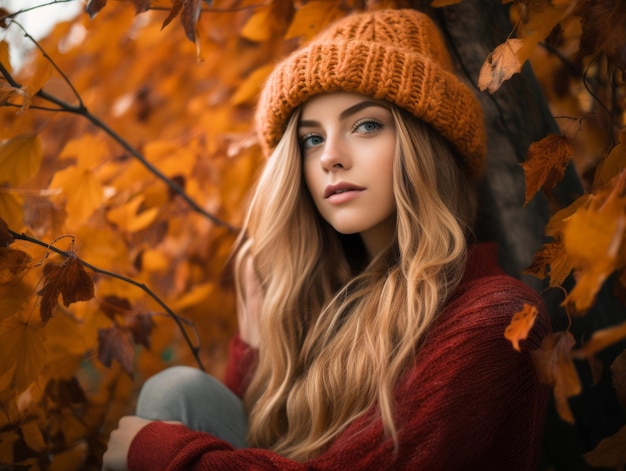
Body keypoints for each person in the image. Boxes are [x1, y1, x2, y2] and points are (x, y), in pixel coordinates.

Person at [102, 8, 550, 470]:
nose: (330, 157)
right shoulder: (325, 301)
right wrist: (256, 347)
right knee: (179, 392)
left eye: (366, 125)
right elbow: (261, 442)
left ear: (427, 144)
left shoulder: (497, 317)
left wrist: (167, 458)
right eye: (311, 139)